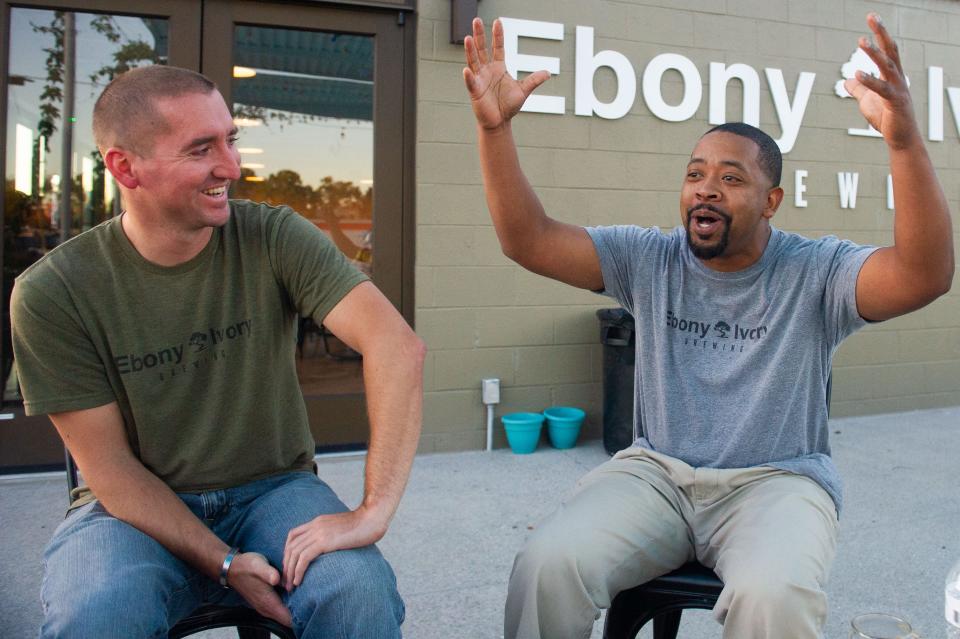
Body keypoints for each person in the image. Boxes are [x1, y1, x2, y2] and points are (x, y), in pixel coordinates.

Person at [462, 13, 953, 639]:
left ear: (771, 201)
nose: (706, 190)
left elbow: (924, 274)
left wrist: (905, 144)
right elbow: (527, 240)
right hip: (656, 475)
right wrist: (495, 131)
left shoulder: (815, 272)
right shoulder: (650, 259)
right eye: (695, 174)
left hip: (777, 482)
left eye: (731, 178)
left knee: (773, 597)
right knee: (546, 565)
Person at [11, 65, 425, 638]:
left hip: (275, 489)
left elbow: (396, 347)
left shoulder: (273, 237)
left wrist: (371, 514)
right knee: (96, 612)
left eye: (229, 139)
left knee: (355, 590)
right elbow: (109, 469)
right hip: (132, 508)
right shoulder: (54, 291)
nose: (231, 166)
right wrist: (224, 563)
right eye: (201, 148)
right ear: (125, 168)